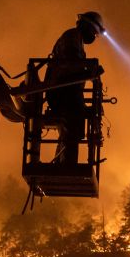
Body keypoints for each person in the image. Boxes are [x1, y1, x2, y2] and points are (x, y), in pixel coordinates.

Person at [45, 11, 105, 165]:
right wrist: (90, 69)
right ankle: (66, 164)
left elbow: (75, 67)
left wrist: (89, 72)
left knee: (74, 125)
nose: (93, 36)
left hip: (66, 92)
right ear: (86, 26)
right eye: (93, 32)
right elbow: (71, 64)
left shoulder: (76, 39)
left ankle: (62, 161)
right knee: (74, 122)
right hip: (61, 91)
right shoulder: (72, 37)